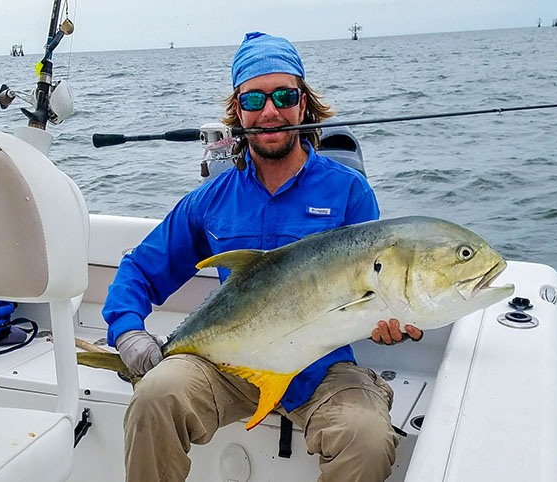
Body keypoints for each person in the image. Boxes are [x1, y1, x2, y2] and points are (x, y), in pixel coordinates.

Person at [102, 31, 423, 482]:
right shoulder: (211, 199)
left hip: (318, 367)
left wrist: (388, 317)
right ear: (238, 112)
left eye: (284, 95)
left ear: (303, 104)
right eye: (254, 99)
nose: (270, 111)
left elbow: (372, 287)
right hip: (227, 365)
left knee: (367, 438)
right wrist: (128, 332)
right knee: (155, 396)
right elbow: (140, 267)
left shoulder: (348, 192)